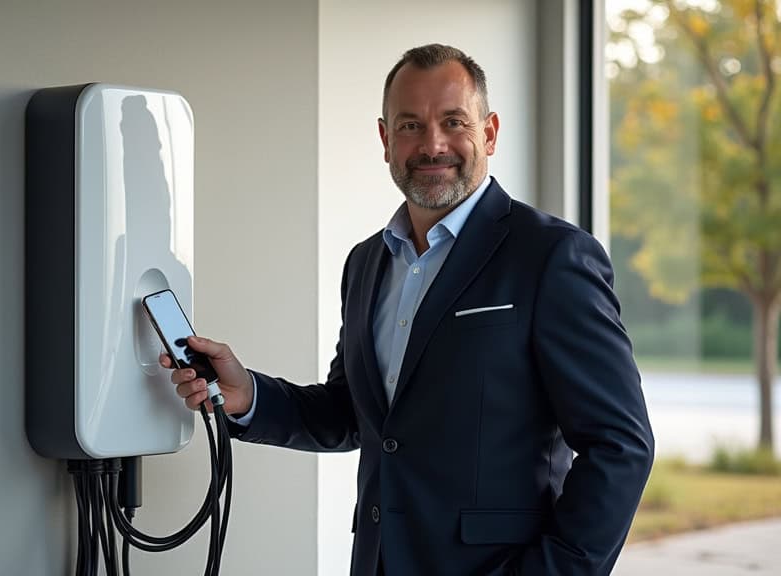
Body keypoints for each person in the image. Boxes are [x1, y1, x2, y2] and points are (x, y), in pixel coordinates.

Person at [161, 43, 654, 576]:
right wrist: (247, 395)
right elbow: (353, 414)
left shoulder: (552, 257)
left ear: (488, 132)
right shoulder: (367, 262)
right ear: (385, 139)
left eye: (453, 121)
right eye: (410, 125)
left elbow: (620, 447)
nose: (433, 144)